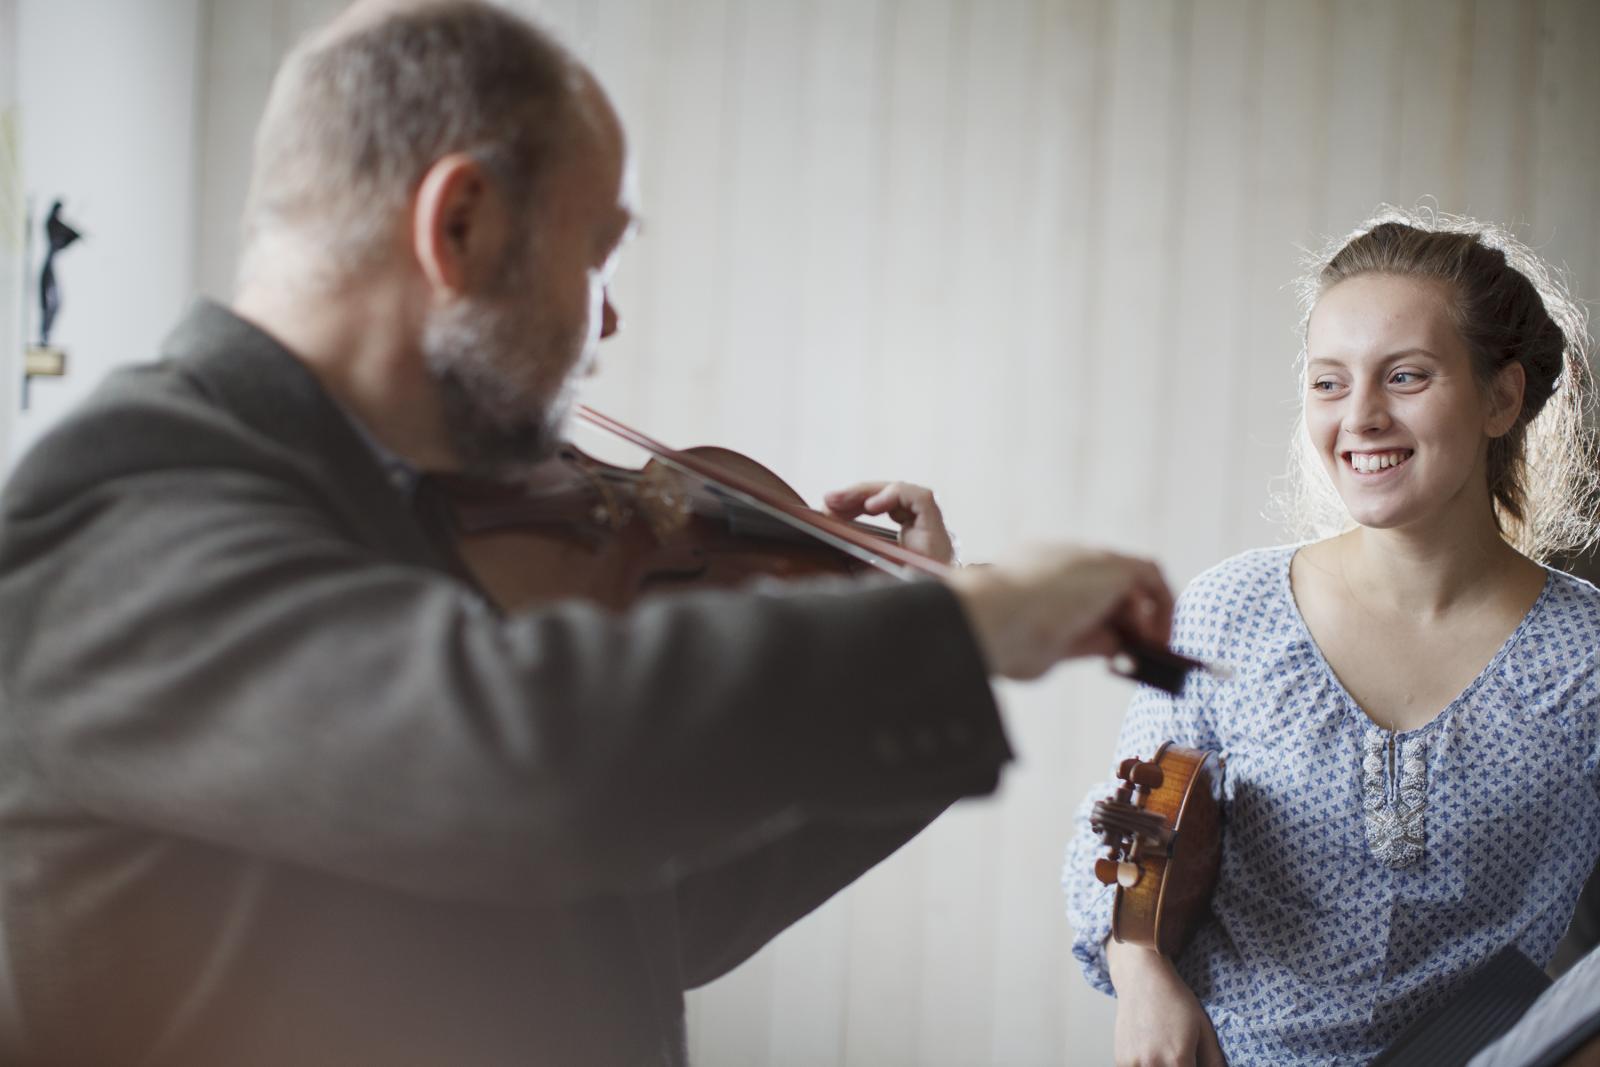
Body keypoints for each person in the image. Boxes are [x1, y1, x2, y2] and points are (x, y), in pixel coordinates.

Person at [0, 2, 1176, 1065]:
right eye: (595, 247)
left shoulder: (404, 495)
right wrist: (957, 623)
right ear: (455, 225)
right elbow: (511, 753)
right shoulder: (118, 501)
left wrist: (932, 661)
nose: (607, 308)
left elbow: (657, 911)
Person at [1064, 207, 1600, 1067]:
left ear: (1501, 396)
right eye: (1328, 382)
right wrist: (1141, 974)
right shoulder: (1228, 607)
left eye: (1407, 376)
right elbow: (1127, 833)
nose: (1361, 417)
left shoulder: (1588, 655)